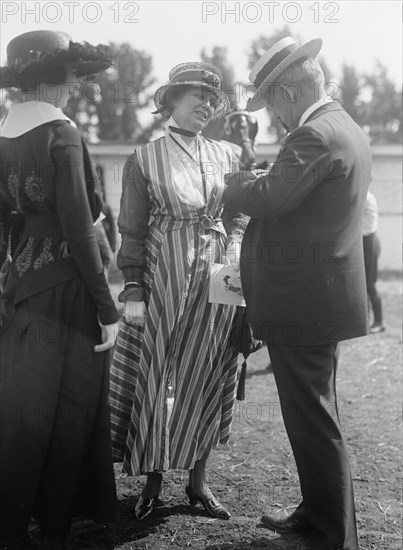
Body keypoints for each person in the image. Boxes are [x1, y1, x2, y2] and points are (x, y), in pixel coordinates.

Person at [223, 37, 372, 550]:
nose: (276, 118)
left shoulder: (313, 134)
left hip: (304, 302)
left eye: (272, 105)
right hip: (320, 298)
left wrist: (231, 182)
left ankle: (334, 536)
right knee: (312, 415)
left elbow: (269, 196)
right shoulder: (341, 125)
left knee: (312, 419)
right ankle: (317, 513)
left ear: (288, 91)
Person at [109, 62, 247, 521]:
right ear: (171, 101)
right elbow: (130, 229)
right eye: (198, 96)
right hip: (164, 272)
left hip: (218, 277)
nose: (207, 104)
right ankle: (152, 480)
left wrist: (237, 254)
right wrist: (133, 288)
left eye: (213, 98)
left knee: (211, 368)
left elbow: (240, 215)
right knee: (159, 371)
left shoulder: (228, 155)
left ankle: (198, 482)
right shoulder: (144, 158)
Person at [0, 31, 119, 550]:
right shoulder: (63, 135)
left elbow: (5, 220)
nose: (76, 86)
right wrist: (107, 306)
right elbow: (79, 229)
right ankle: (53, 522)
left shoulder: (4, 133)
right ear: (47, 81)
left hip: (22, 283)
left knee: (23, 406)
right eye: (71, 77)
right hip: (69, 288)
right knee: (71, 405)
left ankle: (11, 520)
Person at [363, 190, 385, 333]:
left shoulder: (366, 196)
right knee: (363, 284)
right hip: (363, 241)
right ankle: (365, 321)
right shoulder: (364, 194)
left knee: (369, 284)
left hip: (369, 241)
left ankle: (379, 322)